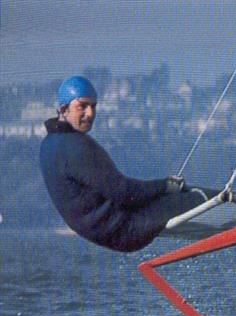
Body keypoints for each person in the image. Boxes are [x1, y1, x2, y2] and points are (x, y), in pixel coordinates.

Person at [39, 76, 209, 252]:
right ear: (63, 109)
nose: (90, 113)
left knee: (178, 195)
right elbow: (123, 192)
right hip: (126, 230)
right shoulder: (74, 146)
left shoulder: (49, 144)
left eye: (93, 106)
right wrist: (165, 185)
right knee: (201, 197)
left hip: (107, 233)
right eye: (82, 106)